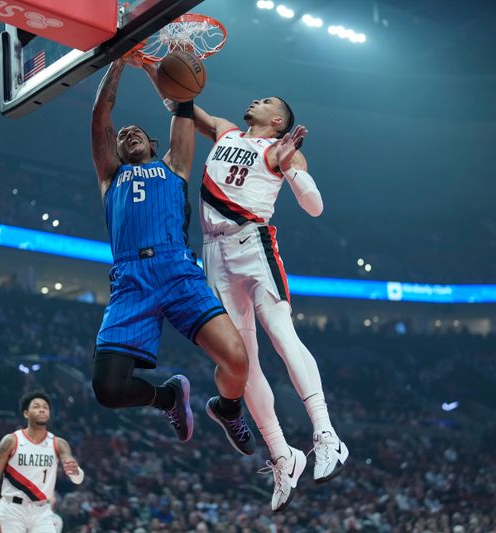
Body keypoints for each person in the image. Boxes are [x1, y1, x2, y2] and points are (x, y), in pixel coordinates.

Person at [140, 61, 348, 510]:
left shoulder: (282, 148)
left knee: (280, 333)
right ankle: (282, 455)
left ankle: (326, 435)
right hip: (214, 254)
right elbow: (181, 100)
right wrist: (153, 66)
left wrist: (290, 166)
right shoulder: (227, 132)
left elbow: (314, 207)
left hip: (253, 243)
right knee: (242, 361)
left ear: (278, 121)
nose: (258, 99)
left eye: (268, 101)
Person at [90, 57, 255, 455]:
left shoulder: (175, 166)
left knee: (237, 360)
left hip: (177, 270)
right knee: (108, 390)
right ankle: (167, 399)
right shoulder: (111, 176)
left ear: (154, 145)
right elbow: (101, 115)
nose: (127, 134)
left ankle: (228, 408)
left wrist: (154, 67)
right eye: (122, 135)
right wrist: (119, 60)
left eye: (137, 133)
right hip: (130, 281)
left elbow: (182, 102)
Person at [0, 391, 83, 533]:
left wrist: (76, 472)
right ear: (26, 414)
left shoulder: (59, 443)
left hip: (42, 512)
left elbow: (77, 479)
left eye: (45, 407)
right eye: (36, 406)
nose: (42, 409)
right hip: (12, 509)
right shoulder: (11, 441)